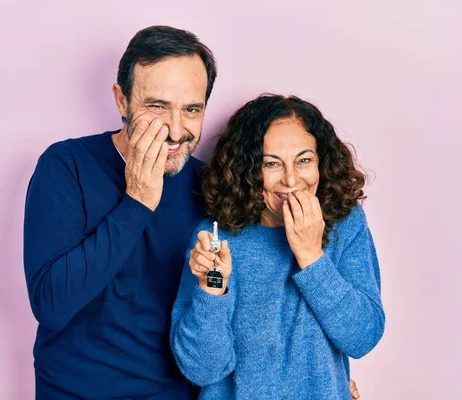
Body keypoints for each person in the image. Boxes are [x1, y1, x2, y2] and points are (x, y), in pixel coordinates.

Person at [24, 25, 363, 399]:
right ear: (122, 100)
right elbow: (51, 306)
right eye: (157, 106)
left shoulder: (213, 187)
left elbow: (256, 298)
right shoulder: (67, 166)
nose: (174, 129)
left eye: (191, 110)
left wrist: (324, 381)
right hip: (74, 391)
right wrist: (138, 200)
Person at [170, 94, 385, 399]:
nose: (291, 179)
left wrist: (311, 256)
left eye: (304, 160)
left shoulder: (344, 224)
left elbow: (362, 336)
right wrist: (213, 289)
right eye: (271, 163)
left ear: (321, 162)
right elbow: (203, 370)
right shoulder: (215, 237)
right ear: (247, 170)